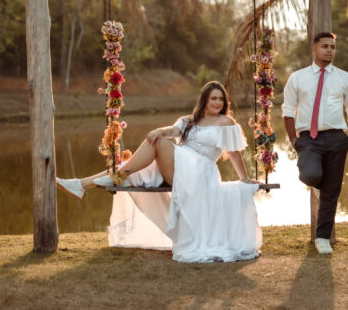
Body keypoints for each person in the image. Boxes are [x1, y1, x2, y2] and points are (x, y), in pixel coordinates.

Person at [57, 81, 262, 263]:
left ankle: (98, 180)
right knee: (143, 152)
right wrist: (159, 130)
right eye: (213, 98)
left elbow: (234, 153)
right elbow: (172, 131)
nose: (217, 102)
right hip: (179, 166)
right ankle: (81, 184)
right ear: (205, 100)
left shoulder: (226, 123)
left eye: (220, 99)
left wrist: (244, 178)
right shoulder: (189, 120)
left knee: (153, 147)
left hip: (199, 173)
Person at [282, 32, 348, 254]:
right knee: (310, 175)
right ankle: (322, 185)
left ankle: (322, 238)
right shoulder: (297, 78)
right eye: (325, 46)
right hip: (309, 138)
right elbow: (288, 111)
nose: (329, 50)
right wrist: (294, 140)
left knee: (331, 192)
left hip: (337, 138)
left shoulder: (346, 78)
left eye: (332, 47)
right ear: (314, 49)